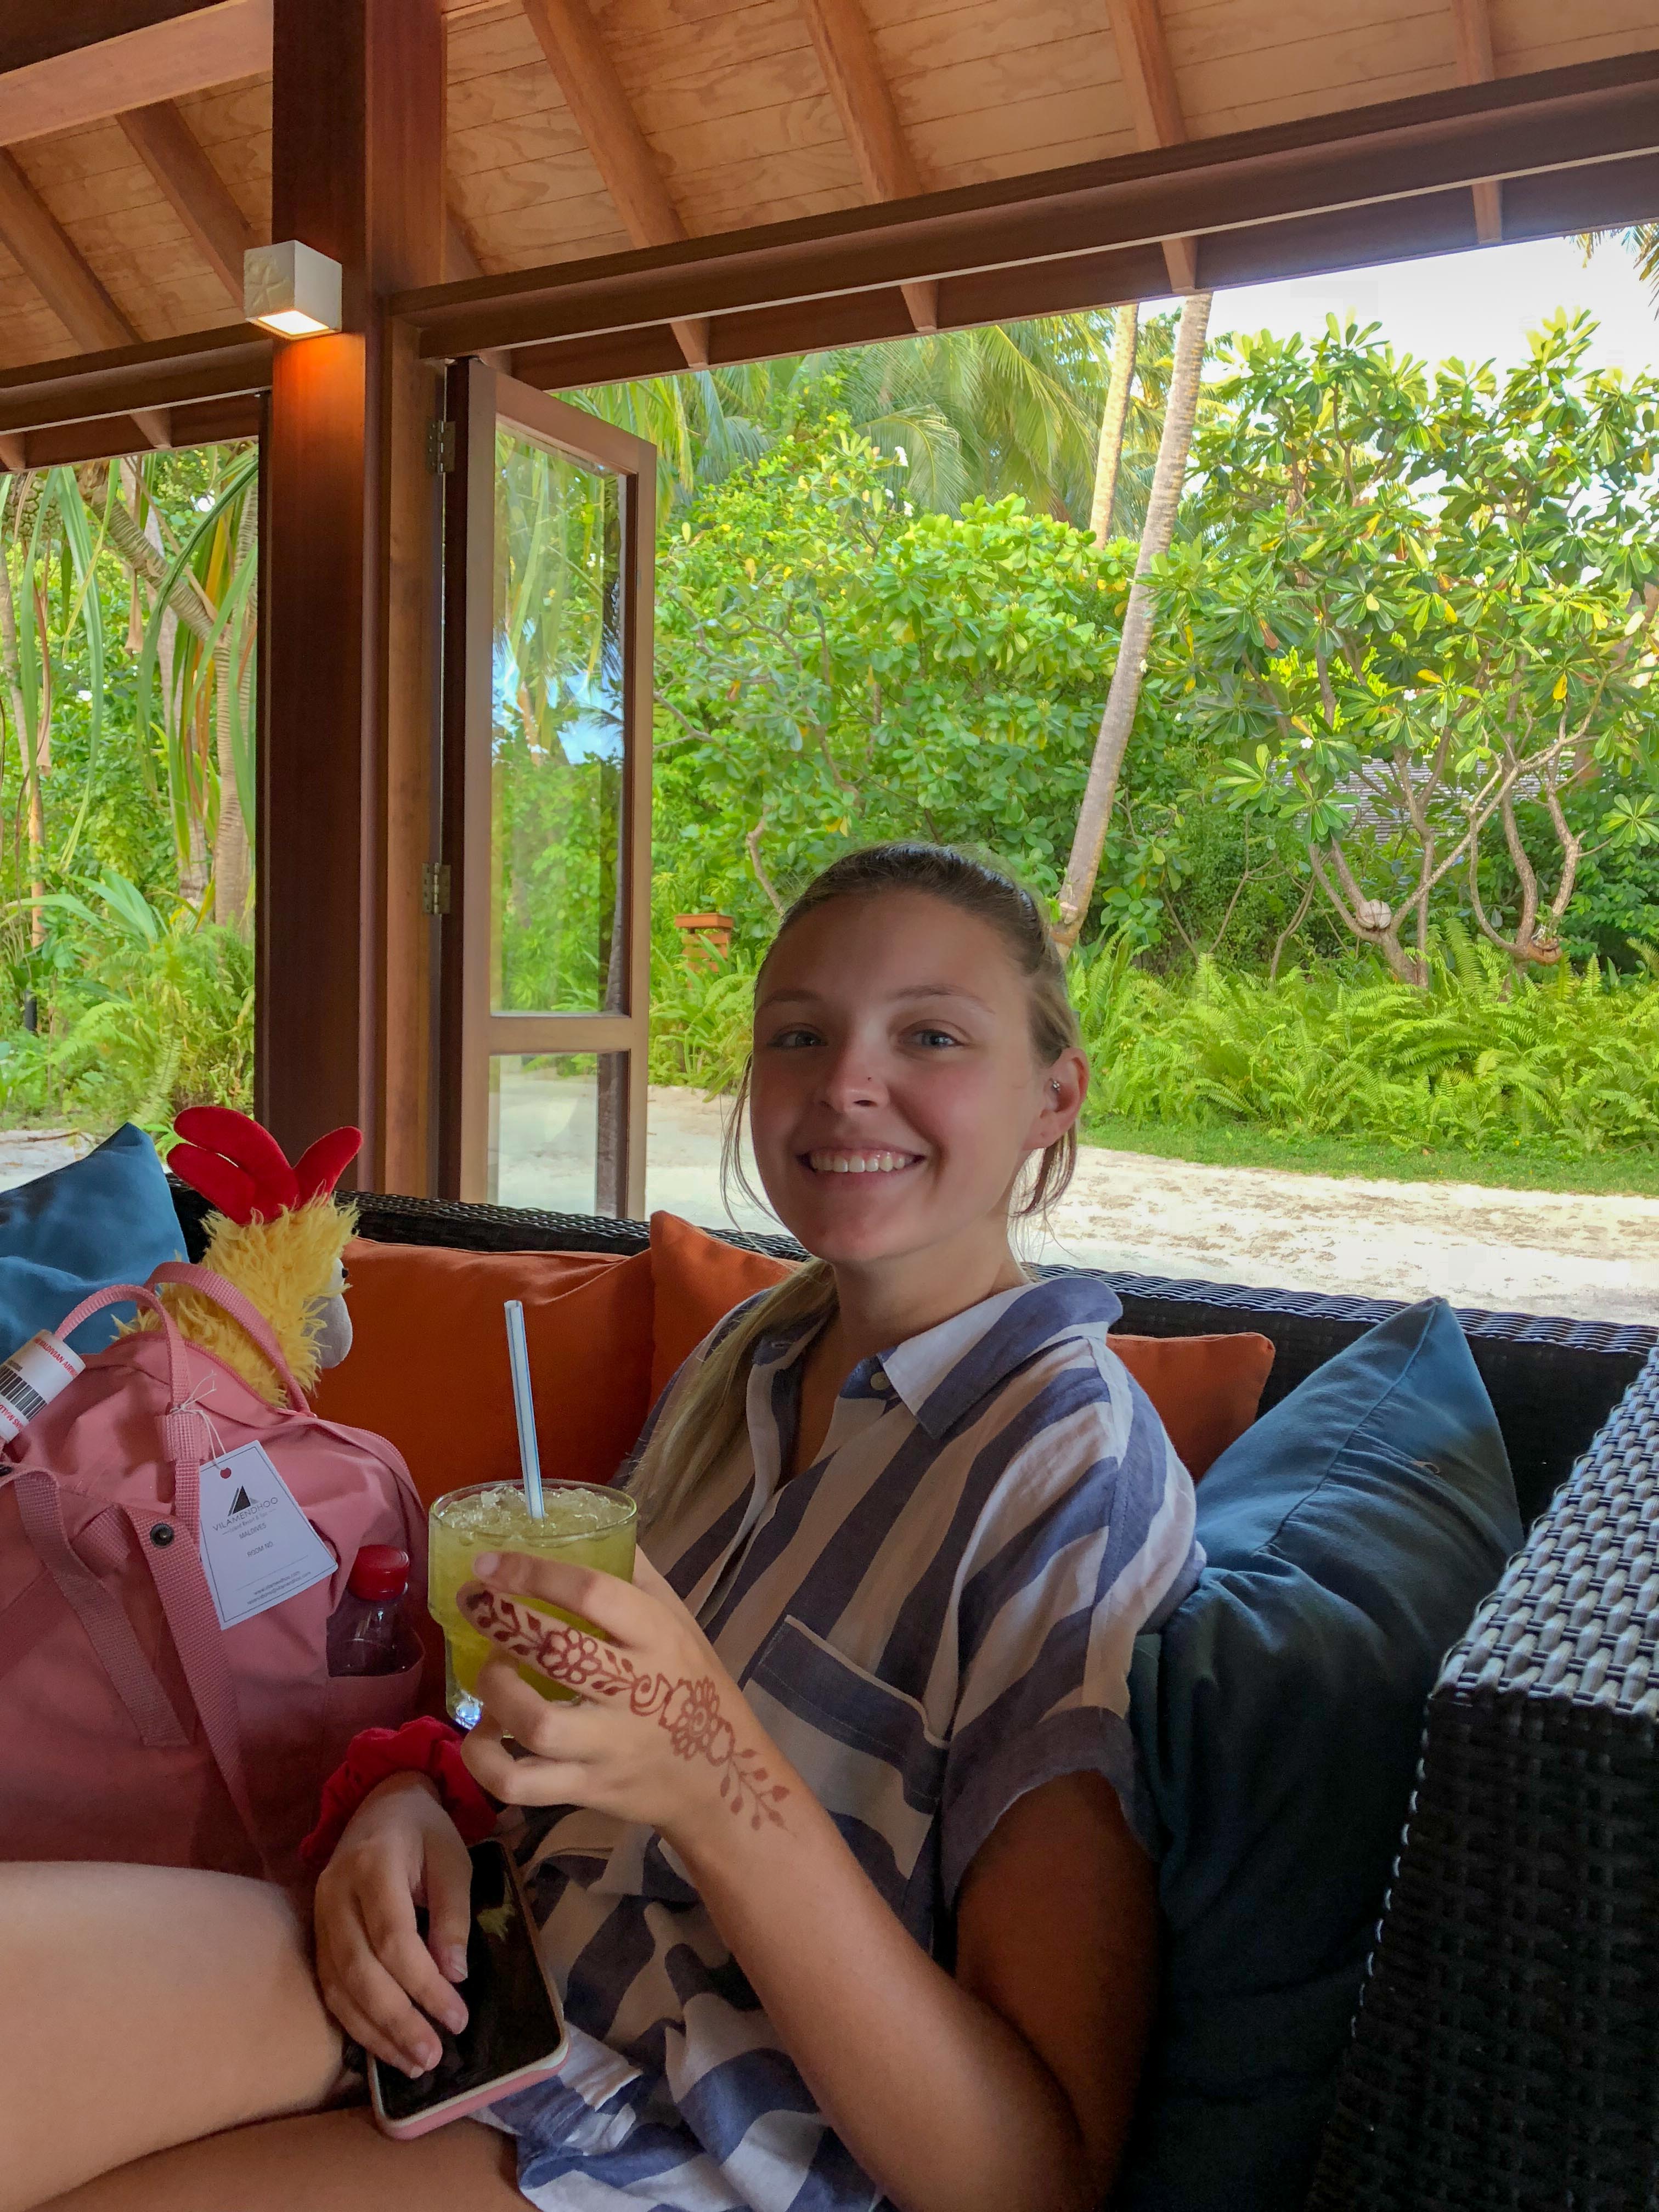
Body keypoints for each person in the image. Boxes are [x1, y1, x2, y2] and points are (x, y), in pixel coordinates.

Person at [1, 843, 1199, 2212]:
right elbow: (536, 1723)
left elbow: (1025, 2175)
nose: (846, 1082)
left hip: (682, 2133)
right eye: (798, 1035)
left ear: (1055, 1095)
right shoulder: (752, 1355)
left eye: (930, 1035)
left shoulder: (1067, 1464)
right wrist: (413, 1802)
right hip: (481, 1977)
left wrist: (711, 1773)